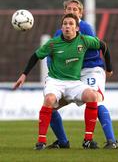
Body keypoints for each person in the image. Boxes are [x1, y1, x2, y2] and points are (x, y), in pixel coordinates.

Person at [13, 13, 112, 150]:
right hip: (55, 81)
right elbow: (35, 56)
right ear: (62, 27)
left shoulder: (84, 40)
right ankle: (41, 141)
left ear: (77, 28)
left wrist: (109, 68)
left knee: (93, 96)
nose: (67, 26)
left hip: (74, 82)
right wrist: (24, 75)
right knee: (49, 99)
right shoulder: (53, 43)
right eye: (65, 24)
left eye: (71, 24)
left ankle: (88, 140)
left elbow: (103, 46)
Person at [47, 0, 118, 149]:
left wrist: (109, 68)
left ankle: (111, 141)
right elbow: (52, 54)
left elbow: (99, 48)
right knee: (50, 107)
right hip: (72, 77)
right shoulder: (59, 32)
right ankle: (63, 142)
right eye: (69, 9)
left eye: (75, 9)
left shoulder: (85, 28)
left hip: (91, 70)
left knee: (96, 101)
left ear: (80, 13)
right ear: (64, 11)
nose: (71, 12)